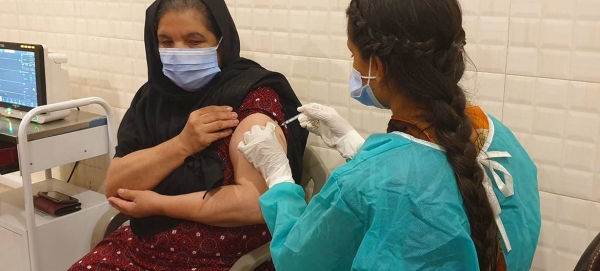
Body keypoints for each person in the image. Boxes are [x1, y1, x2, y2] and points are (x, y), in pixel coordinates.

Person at [237, 0, 541, 270]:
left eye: (352, 55)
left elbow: (297, 260)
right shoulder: (498, 136)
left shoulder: (366, 183)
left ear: (377, 66)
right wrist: (354, 146)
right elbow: (426, 188)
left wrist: (278, 178)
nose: (354, 67)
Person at [69, 0, 307, 270]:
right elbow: (116, 186)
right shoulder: (151, 99)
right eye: (166, 42)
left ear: (221, 42)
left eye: (194, 41)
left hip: (223, 259)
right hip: (141, 248)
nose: (178, 52)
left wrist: (161, 205)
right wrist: (183, 144)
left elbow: (255, 202)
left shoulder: (250, 97)